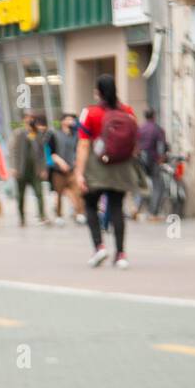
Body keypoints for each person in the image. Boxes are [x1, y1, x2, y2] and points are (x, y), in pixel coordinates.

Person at [75, 74, 144, 269]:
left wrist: (79, 173)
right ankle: (121, 254)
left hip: (96, 166)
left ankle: (99, 247)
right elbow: (135, 142)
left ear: (98, 92)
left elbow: (83, 145)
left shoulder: (89, 113)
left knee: (90, 205)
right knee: (116, 209)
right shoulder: (128, 111)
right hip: (121, 167)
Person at [8, 110, 50, 226]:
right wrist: (13, 167)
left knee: (39, 193)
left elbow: (42, 153)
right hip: (21, 170)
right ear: (23, 119)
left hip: (35, 170)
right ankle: (21, 218)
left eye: (32, 117)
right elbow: (13, 151)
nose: (30, 120)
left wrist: (43, 169)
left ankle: (42, 216)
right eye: (27, 117)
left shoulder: (38, 134)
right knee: (20, 196)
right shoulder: (18, 133)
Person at [48, 113, 81, 225]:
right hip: (58, 170)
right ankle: (58, 215)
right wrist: (60, 162)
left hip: (72, 169)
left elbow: (78, 151)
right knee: (59, 193)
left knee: (77, 192)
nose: (71, 122)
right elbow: (51, 152)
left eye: (72, 120)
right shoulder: (54, 134)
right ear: (62, 122)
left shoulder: (76, 135)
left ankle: (79, 214)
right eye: (68, 119)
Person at [135, 107, 166, 219]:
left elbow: (136, 144)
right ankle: (153, 212)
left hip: (141, 160)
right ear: (154, 116)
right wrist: (161, 157)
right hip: (153, 160)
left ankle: (137, 209)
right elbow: (161, 146)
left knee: (142, 184)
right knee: (158, 186)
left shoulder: (141, 129)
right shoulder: (157, 129)